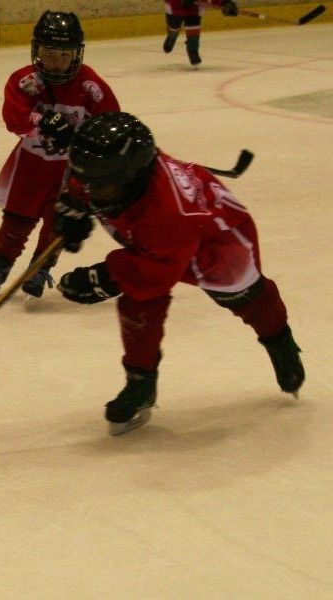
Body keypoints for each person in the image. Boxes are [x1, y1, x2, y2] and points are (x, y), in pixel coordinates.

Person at [54, 111, 304, 435]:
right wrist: (72, 207)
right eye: (88, 182)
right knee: (138, 306)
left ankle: (280, 341)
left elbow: (154, 272)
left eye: (101, 187)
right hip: (160, 241)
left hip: (219, 243)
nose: (92, 191)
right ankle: (141, 383)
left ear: (133, 177)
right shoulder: (107, 172)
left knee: (247, 299)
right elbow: (81, 183)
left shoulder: (170, 212)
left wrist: (106, 277)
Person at [0, 10, 120, 300]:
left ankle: (40, 267)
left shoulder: (92, 87)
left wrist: (93, 142)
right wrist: (42, 121)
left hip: (71, 173)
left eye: (64, 54)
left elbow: (109, 124)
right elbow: (14, 118)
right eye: (49, 53)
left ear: (77, 54)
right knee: (16, 218)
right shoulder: (25, 81)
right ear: (37, 50)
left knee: (57, 222)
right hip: (31, 167)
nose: (56, 61)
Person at [162, 0, 239, 66]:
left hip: (195, 6)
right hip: (175, 5)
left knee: (193, 25)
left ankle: (193, 50)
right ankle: (171, 37)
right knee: (174, 25)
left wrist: (226, 3)